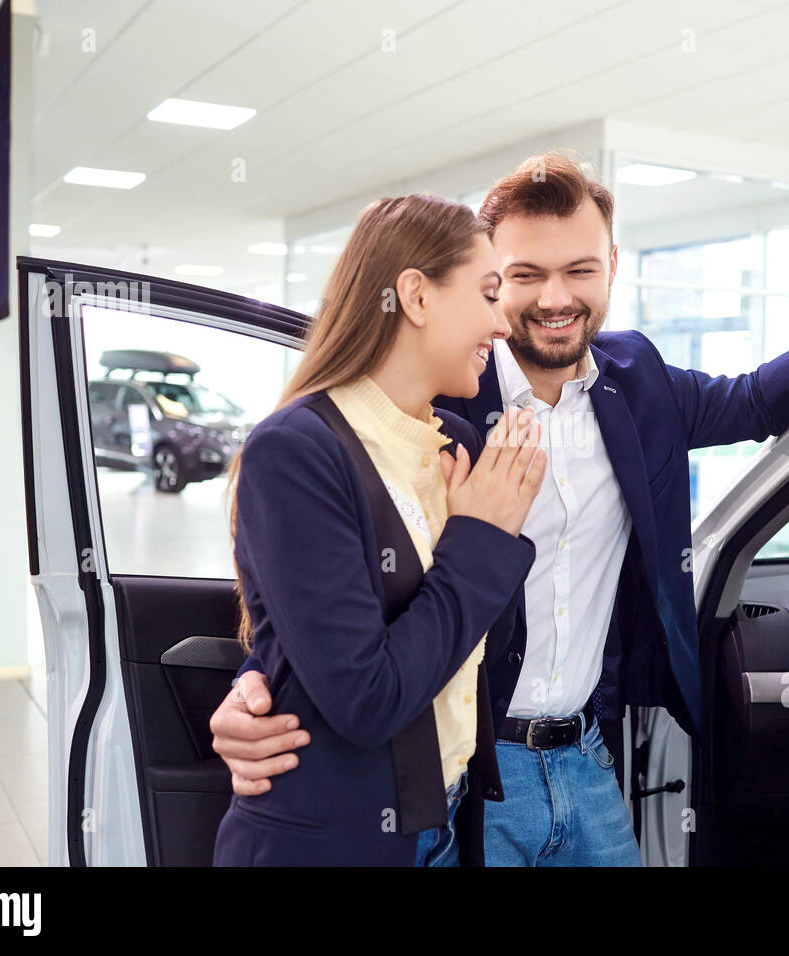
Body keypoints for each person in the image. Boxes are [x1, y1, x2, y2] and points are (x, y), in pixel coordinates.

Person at [212, 152, 789, 866]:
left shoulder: (638, 381)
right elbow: (332, 586)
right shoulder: (431, 403)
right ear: (490, 284)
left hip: (590, 756)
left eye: (580, 270)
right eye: (521, 276)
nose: (556, 297)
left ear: (611, 270)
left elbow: (755, 399)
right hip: (472, 772)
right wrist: (258, 680)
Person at [211, 193, 546, 866]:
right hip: (341, 841)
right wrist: (481, 537)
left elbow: (467, 647)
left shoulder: (449, 438)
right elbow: (367, 699)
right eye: (486, 295)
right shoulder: (298, 450)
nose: (502, 325)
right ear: (416, 298)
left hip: (447, 820)